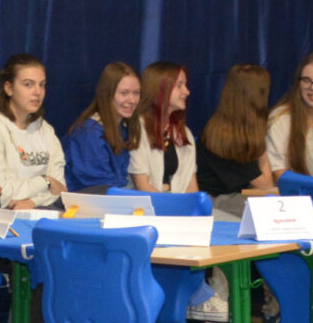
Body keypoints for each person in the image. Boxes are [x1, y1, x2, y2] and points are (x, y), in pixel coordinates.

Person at [0, 55, 68, 209]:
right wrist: (45, 181)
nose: (37, 92)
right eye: (28, 84)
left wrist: (32, 202)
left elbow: (61, 188)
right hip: (1, 214)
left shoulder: (45, 128)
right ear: (9, 88)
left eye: (42, 85)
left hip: (39, 209)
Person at [197, 64, 275, 211]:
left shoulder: (232, 130)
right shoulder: (227, 138)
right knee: (270, 207)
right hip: (214, 202)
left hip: (231, 197)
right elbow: (266, 185)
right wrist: (261, 145)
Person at [64, 63, 143, 192]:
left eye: (136, 93)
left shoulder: (122, 129)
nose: (132, 100)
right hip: (91, 201)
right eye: (124, 93)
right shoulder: (89, 133)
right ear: (107, 94)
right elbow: (99, 187)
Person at [131, 61, 198, 193]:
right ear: (160, 89)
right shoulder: (138, 129)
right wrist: (168, 203)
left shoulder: (184, 133)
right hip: (148, 203)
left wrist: (193, 205)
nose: (187, 92)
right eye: (179, 86)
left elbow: (191, 185)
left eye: (185, 85)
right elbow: (142, 186)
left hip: (177, 201)